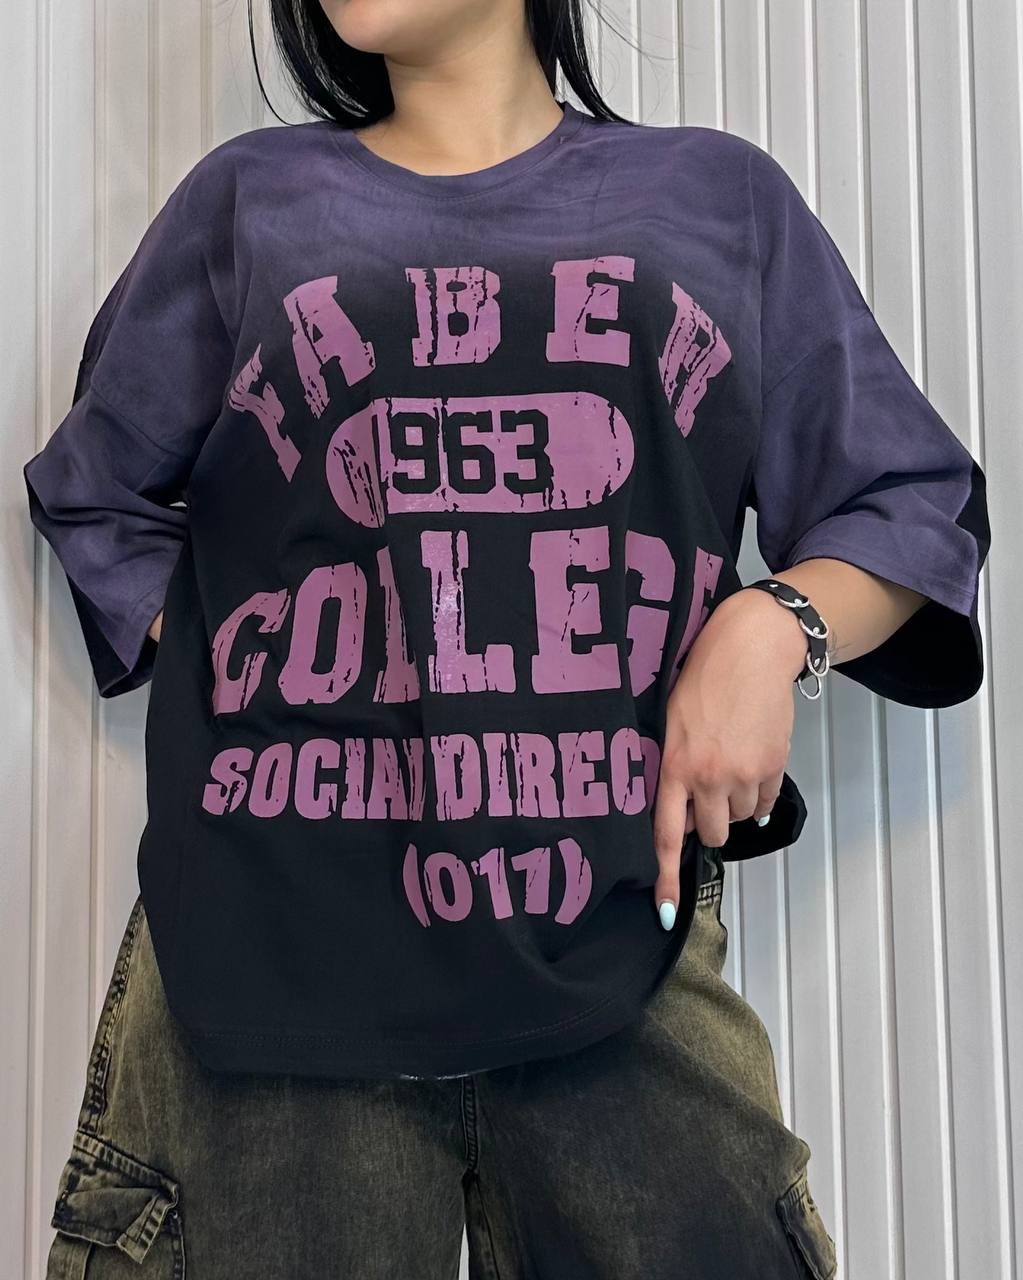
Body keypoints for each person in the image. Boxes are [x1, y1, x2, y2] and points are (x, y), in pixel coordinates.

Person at [23, 1, 990, 1276]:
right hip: (265, 961)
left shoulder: (717, 202)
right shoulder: (248, 205)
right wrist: (247, 655)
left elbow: (910, 503)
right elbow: (95, 486)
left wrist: (774, 622)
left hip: (618, 945)